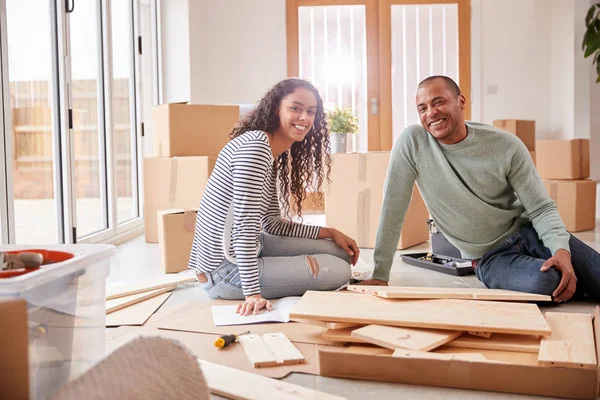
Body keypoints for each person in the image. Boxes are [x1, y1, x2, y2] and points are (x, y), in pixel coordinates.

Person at [360, 75, 600, 303]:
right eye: (422, 108)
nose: (431, 113)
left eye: (439, 102)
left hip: (530, 233)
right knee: (547, 282)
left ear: (461, 101)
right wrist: (380, 273)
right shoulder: (412, 143)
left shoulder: (505, 145)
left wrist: (560, 249)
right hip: (490, 257)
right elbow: (393, 207)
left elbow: (540, 208)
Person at [188, 78, 359, 315]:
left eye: (311, 112)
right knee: (340, 270)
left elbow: (271, 223)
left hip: (245, 250)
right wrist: (253, 295)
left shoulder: (268, 151)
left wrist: (329, 232)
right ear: (276, 108)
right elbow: (244, 225)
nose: (305, 118)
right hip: (224, 272)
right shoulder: (256, 147)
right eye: (295, 108)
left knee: (339, 252)